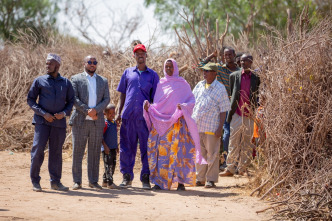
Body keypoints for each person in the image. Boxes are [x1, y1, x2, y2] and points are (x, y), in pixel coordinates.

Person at [143, 59, 205, 191]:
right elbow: (158, 104)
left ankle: (180, 182)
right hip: (162, 125)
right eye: (167, 67)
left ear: (175, 68)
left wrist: (183, 106)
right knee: (161, 153)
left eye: (171, 67)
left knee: (179, 153)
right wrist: (149, 107)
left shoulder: (183, 84)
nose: (169, 69)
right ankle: (159, 182)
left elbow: (191, 101)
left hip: (178, 124)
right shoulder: (161, 83)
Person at [27, 53, 74, 192]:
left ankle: (55, 182)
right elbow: (30, 100)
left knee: (56, 153)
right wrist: (43, 114)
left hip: (58, 124)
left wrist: (64, 113)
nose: (47, 65)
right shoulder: (39, 81)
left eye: (50, 63)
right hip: (42, 122)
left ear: (57, 66)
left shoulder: (66, 83)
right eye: (46, 63)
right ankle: (35, 181)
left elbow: (71, 101)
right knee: (37, 150)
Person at [116, 44, 159, 189]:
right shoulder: (127, 73)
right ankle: (126, 177)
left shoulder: (153, 75)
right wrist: (118, 112)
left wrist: (153, 113)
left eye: (143, 53)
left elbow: (156, 99)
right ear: (133, 56)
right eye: (137, 53)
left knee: (147, 148)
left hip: (144, 118)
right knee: (126, 147)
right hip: (128, 115)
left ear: (146, 56)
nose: (140, 55)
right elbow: (122, 94)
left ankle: (145, 178)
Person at [70, 55, 110, 190]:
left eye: (94, 62)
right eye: (90, 62)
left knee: (94, 153)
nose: (92, 64)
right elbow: (73, 98)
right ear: (84, 63)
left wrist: (96, 111)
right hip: (80, 121)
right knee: (77, 152)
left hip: (96, 121)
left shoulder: (103, 81)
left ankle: (93, 181)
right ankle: (77, 181)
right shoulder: (75, 79)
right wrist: (87, 111)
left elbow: (106, 99)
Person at [219, 53, 260, 177]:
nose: (242, 63)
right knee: (233, 141)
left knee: (247, 142)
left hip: (249, 114)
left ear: (251, 62)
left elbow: (257, 93)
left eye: (245, 61)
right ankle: (230, 168)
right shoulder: (234, 76)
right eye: (241, 61)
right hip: (236, 113)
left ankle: (243, 169)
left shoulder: (256, 77)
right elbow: (233, 94)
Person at [199, 47, 240, 170]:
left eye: (230, 55)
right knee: (223, 134)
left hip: (236, 106)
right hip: (220, 106)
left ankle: (231, 162)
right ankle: (223, 161)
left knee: (232, 134)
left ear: (234, 55)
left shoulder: (239, 71)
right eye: (225, 55)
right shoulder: (220, 69)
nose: (227, 57)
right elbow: (201, 65)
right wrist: (212, 55)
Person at [192, 62, 231, 188]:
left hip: (211, 127)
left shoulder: (220, 88)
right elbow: (192, 101)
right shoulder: (199, 85)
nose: (205, 73)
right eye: (204, 71)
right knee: (200, 153)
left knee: (212, 154)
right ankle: (200, 178)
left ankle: (211, 179)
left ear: (215, 73)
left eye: (207, 71)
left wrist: (220, 128)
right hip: (198, 126)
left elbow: (224, 110)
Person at [101, 104, 118, 189]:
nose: (112, 115)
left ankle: (104, 181)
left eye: (113, 113)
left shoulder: (114, 123)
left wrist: (117, 146)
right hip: (106, 149)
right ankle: (110, 183)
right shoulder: (105, 124)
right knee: (108, 166)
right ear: (105, 114)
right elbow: (101, 136)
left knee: (113, 165)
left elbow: (114, 135)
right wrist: (105, 146)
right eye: (109, 113)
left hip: (113, 148)